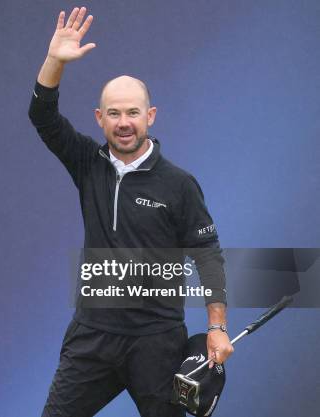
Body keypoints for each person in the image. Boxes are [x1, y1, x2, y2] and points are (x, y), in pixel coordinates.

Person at [28, 7, 234, 417]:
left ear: (150, 116)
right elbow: (43, 116)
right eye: (115, 114)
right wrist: (55, 60)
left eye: (133, 112)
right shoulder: (88, 164)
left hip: (157, 341)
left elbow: (208, 256)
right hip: (94, 337)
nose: (125, 123)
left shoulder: (178, 183)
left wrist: (216, 326)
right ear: (100, 119)